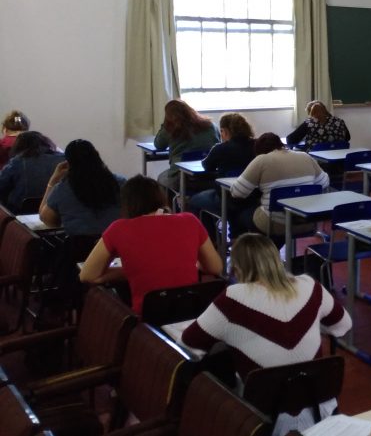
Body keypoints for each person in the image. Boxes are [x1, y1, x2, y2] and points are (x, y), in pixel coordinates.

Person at [182, 232, 352, 435]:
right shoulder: (311, 287)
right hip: (320, 411)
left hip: (261, 419)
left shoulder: (231, 299)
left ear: (237, 269)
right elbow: (343, 325)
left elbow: (189, 343)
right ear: (276, 261)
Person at [79, 175, 224, 314]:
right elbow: (216, 267)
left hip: (147, 320)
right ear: (160, 198)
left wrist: (127, 271)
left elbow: (87, 275)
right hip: (190, 312)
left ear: (127, 204)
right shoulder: (190, 220)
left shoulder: (118, 228)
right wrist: (186, 264)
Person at [229, 133, 331, 246]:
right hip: (307, 222)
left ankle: (257, 251)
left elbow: (237, 192)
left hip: (275, 224)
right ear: (280, 144)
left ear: (258, 150)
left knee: (242, 213)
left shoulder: (262, 160)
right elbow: (324, 182)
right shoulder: (305, 156)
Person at [186, 112, 257, 237]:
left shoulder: (221, 148)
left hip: (227, 198)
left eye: (221, 132)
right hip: (253, 197)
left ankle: (212, 239)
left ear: (225, 131)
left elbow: (206, 166)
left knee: (194, 201)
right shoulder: (257, 145)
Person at [39, 139, 124, 237]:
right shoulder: (121, 183)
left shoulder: (62, 189)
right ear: (97, 156)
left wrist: (52, 181)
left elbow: (47, 220)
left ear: (68, 163)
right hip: (115, 243)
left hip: (79, 245)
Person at [153, 99, 220, 191]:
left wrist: (164, 125)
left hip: (184, 179)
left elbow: (158, 144)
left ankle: (173, 200)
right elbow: (218, 145)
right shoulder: (211, 125)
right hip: (210, 176)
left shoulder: (171, 128)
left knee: (161, 178)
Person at [0, 131, 64, 210]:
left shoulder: (17, 162)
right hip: (56, 209)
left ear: (18, 146)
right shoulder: (63, 160)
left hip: (21, 210)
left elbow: (2, 185)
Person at [285, 100, 350, 149]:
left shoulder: (309, 123)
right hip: (339, 155)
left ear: (312, 113)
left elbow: (290, 139)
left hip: (317, 158)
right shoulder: (339, 121)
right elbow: (347, 137)